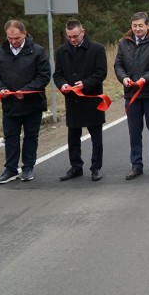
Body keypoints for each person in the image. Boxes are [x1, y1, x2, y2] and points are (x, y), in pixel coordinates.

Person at [0, 20, 51, 184]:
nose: (14, 41)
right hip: (10, 103)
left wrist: (27, 90)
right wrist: (0, 88)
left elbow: (44, 76)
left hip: (32, 103)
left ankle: (28, 166)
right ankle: (10, 169)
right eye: (10, 38)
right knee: (11, 137)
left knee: (31, 136)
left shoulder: (37, 51)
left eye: (16, 38)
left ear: (24, 33)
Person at [114, 11, 149, 180]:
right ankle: (136, 165)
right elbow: (118, 65)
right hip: (131, 95)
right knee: (134, 132)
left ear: (148, 25)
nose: (137, 29)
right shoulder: (123, 42)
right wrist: (123, 78)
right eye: (134, 26)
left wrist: (145, 79)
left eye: (140, 26)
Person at [53, 19, 108, 182]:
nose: (72, 40)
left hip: (91, 99)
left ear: (82, 32)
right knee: (73, 136)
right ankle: (76, 167)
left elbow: (101, 72)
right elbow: (57, 74)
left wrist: (85, 84)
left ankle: (96, 167)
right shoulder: (61, 51)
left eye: (75, 36)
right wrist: (62, 85)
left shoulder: (97, 49)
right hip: (73, 101)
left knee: (96, 136)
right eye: (69, 37)